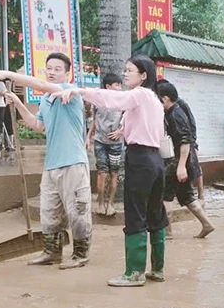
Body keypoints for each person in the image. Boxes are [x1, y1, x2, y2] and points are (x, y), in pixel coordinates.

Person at [53, 56, 168, 286]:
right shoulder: (153, 99)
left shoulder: (140, 94)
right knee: (155, 213)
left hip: (140, 158)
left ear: (144, 75)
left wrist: (80, 91)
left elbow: (114, 99)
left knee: (135, 213)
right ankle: (157, 269)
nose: (125, 74)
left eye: (130, 71)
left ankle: (134, 273)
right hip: (156, 159)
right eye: (125, 70)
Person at [0, 53, 93, 269]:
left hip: (73, 163)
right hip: (52, 164)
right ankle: (52, 251)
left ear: (67, 73)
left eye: (57, 69)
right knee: (49, 211)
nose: (51, 72)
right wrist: (17, 103)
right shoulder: (45, 99)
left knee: (77, 211)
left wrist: (6, 74)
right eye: (49, 68)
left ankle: (81, 254)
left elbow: (40, 84)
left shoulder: (70, 92)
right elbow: (37, 125)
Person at [156, 81, 215, 240]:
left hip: (176, 163)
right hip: (180, 162)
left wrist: (181, 166)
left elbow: (185, 141)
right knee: (186, 196)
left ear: (165, 99)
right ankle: (207, 224)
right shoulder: (174, 112)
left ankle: (167, 233)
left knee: (165, 196)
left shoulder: (176, 115)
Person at [86, 72, 125, 217]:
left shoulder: (123, 102)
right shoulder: (98, 102)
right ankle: (101, 203)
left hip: (115, 143)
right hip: (100, 141)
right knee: (102, 173)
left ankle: (111, 204)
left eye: (120, 85)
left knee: (114, 173)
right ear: (108, 86)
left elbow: (129, 120)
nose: (120, 88)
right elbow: (94, 121)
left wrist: (121, 132)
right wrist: (88, 137)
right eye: (117, 85)